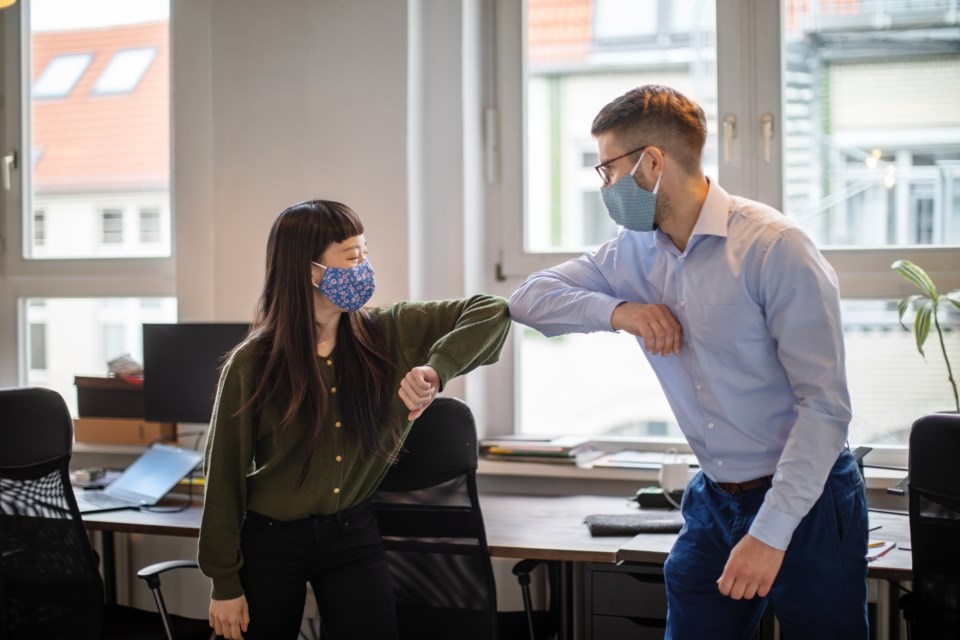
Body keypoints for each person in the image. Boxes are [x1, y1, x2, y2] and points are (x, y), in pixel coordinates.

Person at [508, 85, 868, 639]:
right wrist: (620, 312)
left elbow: (825, 407)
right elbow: (528, 299)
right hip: (715, 497)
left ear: (651, 163)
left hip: (809, 497)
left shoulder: (774, 247)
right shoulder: (633, 251)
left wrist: (770, 534)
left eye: (607, 170)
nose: (604, 187)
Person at [199, 199, 511, 640]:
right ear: (310, 271)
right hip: (269, 541)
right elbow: (224, 475)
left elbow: (493, 310)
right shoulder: (253, 363)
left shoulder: (392, 330)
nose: (364, 266)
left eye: (365, 251)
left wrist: (436, 369)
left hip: (352, 534)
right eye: (352, 256)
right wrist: (224, 583)